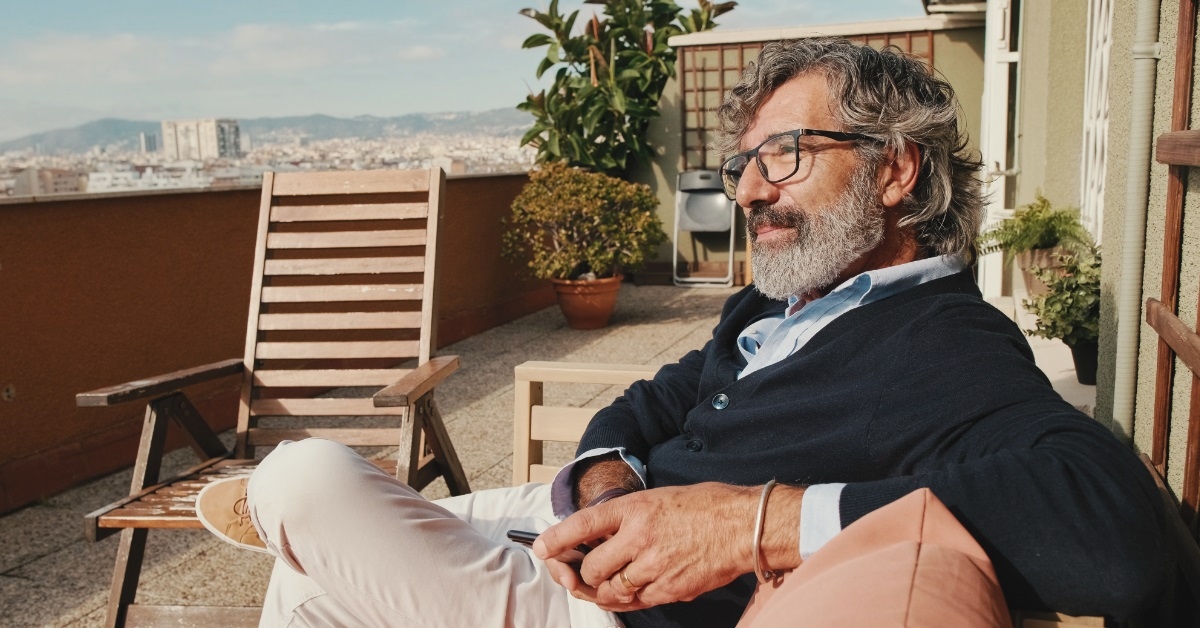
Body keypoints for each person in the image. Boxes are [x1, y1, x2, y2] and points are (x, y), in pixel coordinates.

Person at [196, 37, 1169, 627]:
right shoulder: (772, 311)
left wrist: (754, 521)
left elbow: (1120, 529)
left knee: (305, 479)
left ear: (895, 171)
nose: (746, 188)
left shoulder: (942, 338)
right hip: (578, 532)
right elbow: (641, 403)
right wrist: (613, 477)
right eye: (743, 162)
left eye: (781, 156)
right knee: (310, 583)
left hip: (621, 615)